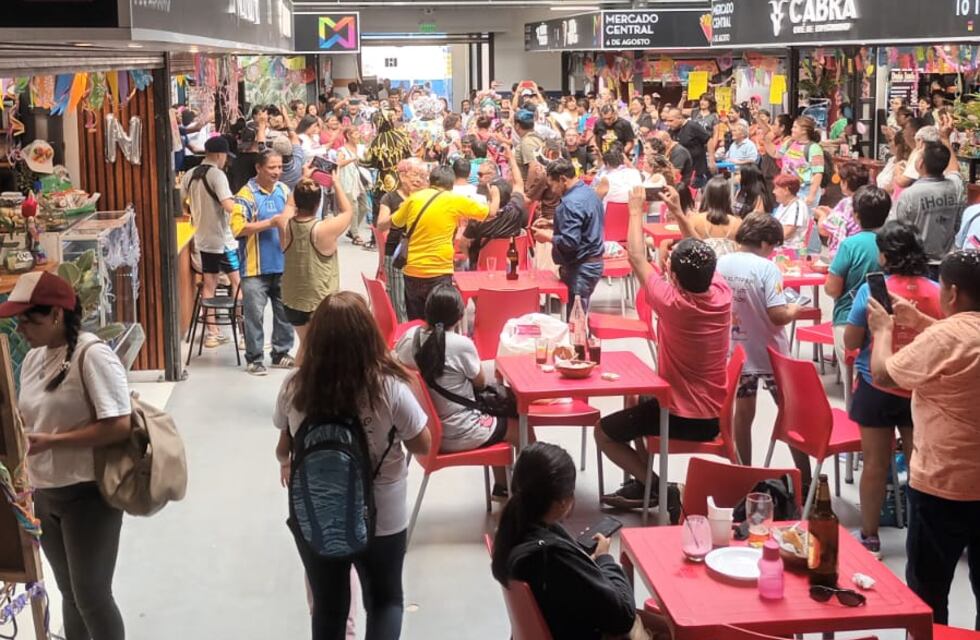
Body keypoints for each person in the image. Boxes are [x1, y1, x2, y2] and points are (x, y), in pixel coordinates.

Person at [274, 291, 431, 640]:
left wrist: (287, 459)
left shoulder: (295, 386)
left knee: (329, 606)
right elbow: (422, 444)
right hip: (383, 512)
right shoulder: (388, 386)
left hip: (318, 510)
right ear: (368, 335)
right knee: (385, 600)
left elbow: (284, 448)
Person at [4, 271, 131, 640]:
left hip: (89, 494)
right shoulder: (33, 360)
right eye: (18, 321)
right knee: (71, 595)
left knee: (93, 596)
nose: (21, 329)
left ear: (57, 314)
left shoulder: (92, 355)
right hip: (46, 494)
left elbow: (119, 425)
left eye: (29, 320)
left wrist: (54, 441)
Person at [596, 185, 732, 513]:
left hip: (683, 416)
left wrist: (634, 209)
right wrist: (680, 215)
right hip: (715, 410)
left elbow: (636, 257)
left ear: (674, 277)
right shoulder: (721, 292)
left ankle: (658, 488)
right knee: (635, 398)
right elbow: (702, 251)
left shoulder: (673, 303)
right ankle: (643, 483)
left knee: (604, 433)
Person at [865, 249, 980, 626]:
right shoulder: (951, 335)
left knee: (927, 592)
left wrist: (883, 331)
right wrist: (920, 321)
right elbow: (963, 344)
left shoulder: (947, 336)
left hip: (942, 484)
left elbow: (884, 374)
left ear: (952, 293)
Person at [491, 443, 669, 640]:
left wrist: (582, 562)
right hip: (584, 630)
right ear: (562, 502)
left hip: (560, 624)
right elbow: (624, 617)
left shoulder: (512, 532)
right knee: (669, 627)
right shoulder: (550, 555)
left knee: (663, 624)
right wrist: (604, 559)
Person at [843, 221, 942, 558]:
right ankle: (921, 536)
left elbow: (851, 340)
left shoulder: (872, 290)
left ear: (885, 256)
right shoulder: (937, 292)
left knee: (874, 465)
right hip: (921, 389)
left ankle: (870, 537)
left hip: (877, 385)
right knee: (919, 466)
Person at [395, 285, 525, 497]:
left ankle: (502, 486)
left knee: (496, 414)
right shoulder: (460, 345)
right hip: (460, 430)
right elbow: (480, 383)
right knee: (522, 428)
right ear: (458, 317)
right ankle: (530, 494)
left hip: (425, 431)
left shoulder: (409, 338)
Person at [716, 214, 801, 465]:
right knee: (790, 413)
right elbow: (777, 315)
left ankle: (745, 471)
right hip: (770, 354)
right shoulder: (767, 268)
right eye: (773, 246)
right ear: (765, 243)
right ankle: (807, 478)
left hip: (738, 352)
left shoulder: (721, 263)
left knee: (742, 415)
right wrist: (794, 309)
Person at [379, 166, 493, 320]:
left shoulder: (414, 198)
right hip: (439, 271)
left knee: (417, 321)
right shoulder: (455, 200)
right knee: (440, 320)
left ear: (430, 182)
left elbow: (391, 223)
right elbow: (490, 213)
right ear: (451, 185)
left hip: (413, 270)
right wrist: (494, 195)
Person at [231, 149, 295, 376]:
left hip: (283, 264)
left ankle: (280, 353)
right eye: (272, 167)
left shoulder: (284, 190)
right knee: (254, 317)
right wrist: (271, 223)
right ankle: (254, 358)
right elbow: (237, 228)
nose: (277, 172)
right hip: (254, 269)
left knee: (285, 313)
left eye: (280, 167)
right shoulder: (245, 195)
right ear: (258, 168)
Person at [279, 179, 353, 362]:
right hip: (320, 303)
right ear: (319, 203)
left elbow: (289, 205)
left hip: (292, 301)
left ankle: (298, 380)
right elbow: (347, 211)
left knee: (305, 345)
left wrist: (302, 179)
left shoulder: (285, 224)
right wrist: (336, 182)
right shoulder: (324, 229)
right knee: (323, 353)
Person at [180, 135, 241, 349]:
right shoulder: (217, 175)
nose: (226, 160)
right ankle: (243, 333)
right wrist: (242, 206)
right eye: (225, 156)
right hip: (224, 241)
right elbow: (228, 206)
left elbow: (183, 204)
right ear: (218, 155)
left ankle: (212, 333)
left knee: (209, 285)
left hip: (203, 241)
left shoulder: (190, 175)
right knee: (237, 284)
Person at [826, 186, 891, 377]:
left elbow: (833, 288)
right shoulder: (893, 243)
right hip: (886, 318)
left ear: (856, 215)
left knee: (853, 380)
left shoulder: (850, 245)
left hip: (848, 318)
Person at [530, 158, 605, 316]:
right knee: (579, 315)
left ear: (562, 179)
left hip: (580, 267)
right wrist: (553, 223)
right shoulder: (589, 192)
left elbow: (570, 242)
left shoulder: (570, 203)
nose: (552, 191)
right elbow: (584, 222)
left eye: (552, 185)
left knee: (576, 320)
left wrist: (548, 237)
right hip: (593, 263)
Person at [894, 129, 965, 273]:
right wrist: (945, 138)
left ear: (920, 163)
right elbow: (954, 169)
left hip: (918, 264)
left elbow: (898, 233)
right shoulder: (955, 186)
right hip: (947, 262)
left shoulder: (909, 195)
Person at [376, 158, 427, 323]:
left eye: (422, 176)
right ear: (402, 176)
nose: (419, 180)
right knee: (400, 303)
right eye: (415, 175)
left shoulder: (426, 198)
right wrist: (401, 211)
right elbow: (381, 225)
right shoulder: (389, 198)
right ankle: (404, 333)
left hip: (421, 255)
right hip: (398, 255)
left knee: (419, 302)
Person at [463, 150, 529, 266]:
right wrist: (512, 159)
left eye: (481, 174)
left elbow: (463, 244)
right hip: (510, 266)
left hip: (482, 267)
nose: (478, 178)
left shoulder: (478, 219)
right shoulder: (516, 210)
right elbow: (519, 184)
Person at [767, 115, 824, 209]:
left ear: (804, 131)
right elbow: (776, 154)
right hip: (788, 190)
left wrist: (811, 196)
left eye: (795, 127)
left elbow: (817, 173)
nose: (792, 129)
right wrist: (767, 141)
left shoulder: (814, 148)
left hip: (805, 191)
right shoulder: (790, 142)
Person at [814, 163, 871, 256]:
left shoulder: (847, 204)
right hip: (863, 249)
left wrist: (822, 215)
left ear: (845, 183)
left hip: (845, 252)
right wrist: (831, 212)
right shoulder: (869, 201)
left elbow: (824, 229)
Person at [686, 175, 741, 256]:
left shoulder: (694, 220)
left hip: (702, 263)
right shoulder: (738, 223)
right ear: (727, 197)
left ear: (706, 196)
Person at [336, 126, 370, 246]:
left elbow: (369, 157)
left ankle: (352, 230)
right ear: (348, 136)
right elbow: (339, 163)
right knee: (354, 208)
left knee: (364, 207)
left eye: (358, 133)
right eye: (355, 134)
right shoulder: (342, 150)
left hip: (359, 181)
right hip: (348, 182)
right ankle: (355, 234)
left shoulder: (361, 148)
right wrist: (352, 159)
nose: (357, 136)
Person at [666, 108, 711, 188]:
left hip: (696, 170)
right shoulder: (672, 130)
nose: (668, 124)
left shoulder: (692, 126)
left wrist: (712, 159)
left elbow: (709, 139)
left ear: (680, 118)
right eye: (667, 121)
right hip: (681, 172)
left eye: (671, 121)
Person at [771, 174, 810, 251]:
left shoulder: (798, 206)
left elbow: (786, 234)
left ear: (786, 190)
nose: (773, 192)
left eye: (776, 188)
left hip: (790, 249)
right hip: (777, 245)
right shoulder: (782, 204)